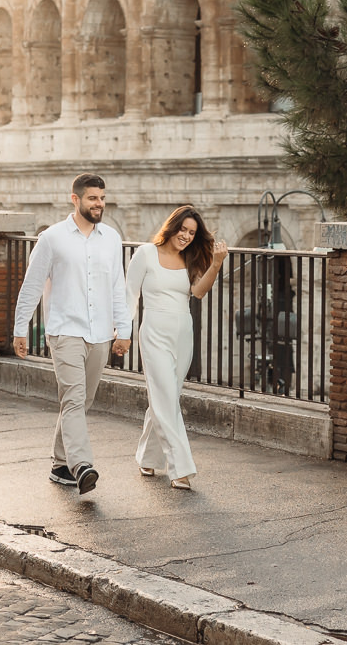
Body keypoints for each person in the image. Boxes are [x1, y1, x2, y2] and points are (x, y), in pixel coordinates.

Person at [11, 173, 131, 495]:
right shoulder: (52, 238)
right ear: (75, 199)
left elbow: (117, 287)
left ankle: (60, 464)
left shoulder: (111, 239)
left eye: (102, 198)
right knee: (75, 398)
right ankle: (82, 466)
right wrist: (20, 329)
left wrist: (124, 329)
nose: (99, 204)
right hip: (65, 331)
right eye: (92, 198)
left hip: (100, 333)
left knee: (81, 400)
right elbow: (32, 285)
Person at [125, 206, 228, 489]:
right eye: (182, 229)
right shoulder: (146, 253)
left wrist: (216, 264)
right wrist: (123, 333)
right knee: (165, 398)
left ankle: (148, 456)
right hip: (154, 332)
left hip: (183, 333)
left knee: (166, 399)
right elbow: (129, 295)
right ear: (171, 227)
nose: (186, 236)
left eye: (192, 233)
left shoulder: (191, 258)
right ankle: (180, 468)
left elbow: (199, 292)